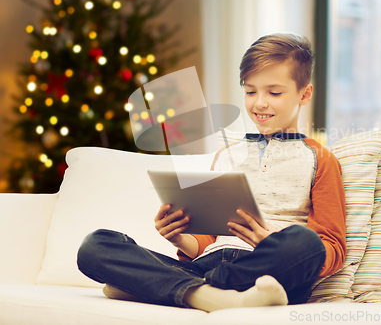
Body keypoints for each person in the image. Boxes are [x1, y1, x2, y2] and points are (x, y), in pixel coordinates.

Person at [77, 33, 346, 312]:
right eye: (250, 91)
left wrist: (273, 241)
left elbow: (332, 249)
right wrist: (180, 238)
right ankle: (213, 294)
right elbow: (209, 241)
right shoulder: (226, 155)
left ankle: (169, 287)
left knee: (306, 243)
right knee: (96, 246)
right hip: (209, 265)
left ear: (305, 94)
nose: (259, 103)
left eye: (274, 92)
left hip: (269, 270)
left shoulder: (321, 159)